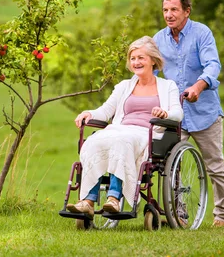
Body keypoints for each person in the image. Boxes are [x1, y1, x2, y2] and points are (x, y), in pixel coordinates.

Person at [66, 36, 183, 219]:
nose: (136, 62)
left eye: (141, 58)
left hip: (146, 133)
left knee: (122, 142)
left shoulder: (168, 86)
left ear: (153, 60)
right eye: (133, 58)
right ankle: (88, 201)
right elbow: (105, 111)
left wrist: (165, 114)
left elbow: (178, 113)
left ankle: (114, 198)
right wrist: (89, 113)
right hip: (120, 129)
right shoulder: (124, 86)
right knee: (94, 141)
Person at [152, 0, 224, 227]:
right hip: (175, 114)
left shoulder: (202, 33)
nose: (169, 14)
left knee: (215, 166)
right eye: (166, 10)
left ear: (186, 11)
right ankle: (179, 213)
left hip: (204, 113)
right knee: (170, 164)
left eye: (174, 9)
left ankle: (223, 216)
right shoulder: (159, 39)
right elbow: (151, 73)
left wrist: (198, 86)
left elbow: (212, 65)